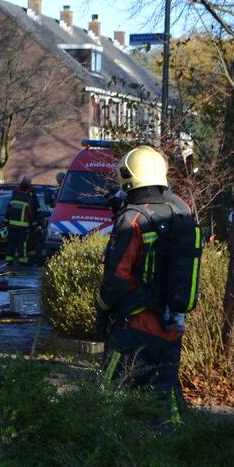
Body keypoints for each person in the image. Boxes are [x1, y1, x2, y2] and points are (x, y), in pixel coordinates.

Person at [96, 145, 192, 422]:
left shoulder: (133, 219)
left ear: (128, 177)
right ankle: (177, 446)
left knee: (112, 397)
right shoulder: (181, 210)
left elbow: (116, 278)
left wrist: (102, 311)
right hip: (172, 326)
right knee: (166, 399)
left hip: (135, 327)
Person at [3, 176, 36, 264]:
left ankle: (9, 259)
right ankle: (23, 260)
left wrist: (6, 222)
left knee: (11, 243)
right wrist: (33, 223)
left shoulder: (13, 199)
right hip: (23, 227)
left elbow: (8, 211)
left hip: (12, 225)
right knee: (22, 243)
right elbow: (30, 213)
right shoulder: (27, 200)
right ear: (26, 190)